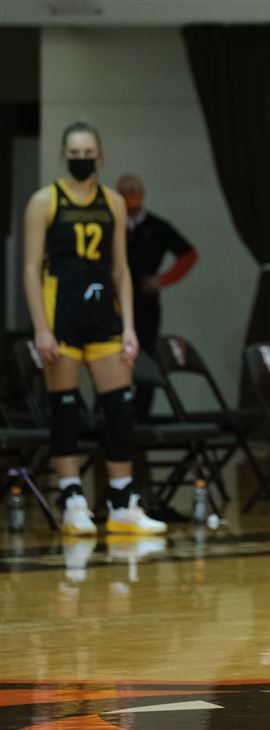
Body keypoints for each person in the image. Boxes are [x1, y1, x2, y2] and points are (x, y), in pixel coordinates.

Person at [22, 121, 167, 535]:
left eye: (89, 153)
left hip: (103, 313)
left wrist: (130, 328)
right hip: (61, 313)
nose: (82, 160)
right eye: (75, 153)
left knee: (120, 409)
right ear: (63, 154)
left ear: (100, 155)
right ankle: (71, 500)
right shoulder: (44, 202)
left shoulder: (114, 203)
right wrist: (41, 328)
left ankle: (122, 502)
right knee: (65, 409)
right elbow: (31, 270)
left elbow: (121, 270)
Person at [115, 174, 198, 421]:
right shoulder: (111, 225)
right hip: (115, 302)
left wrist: (162, 280)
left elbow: (189, 254)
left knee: (146, 357)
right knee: (112, 358)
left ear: (142, 193)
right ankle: (112, 413)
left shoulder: (158, 226)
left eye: (134, 191)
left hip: (145, 302)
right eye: (125, 191)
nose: (130, 196)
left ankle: (141, 417)